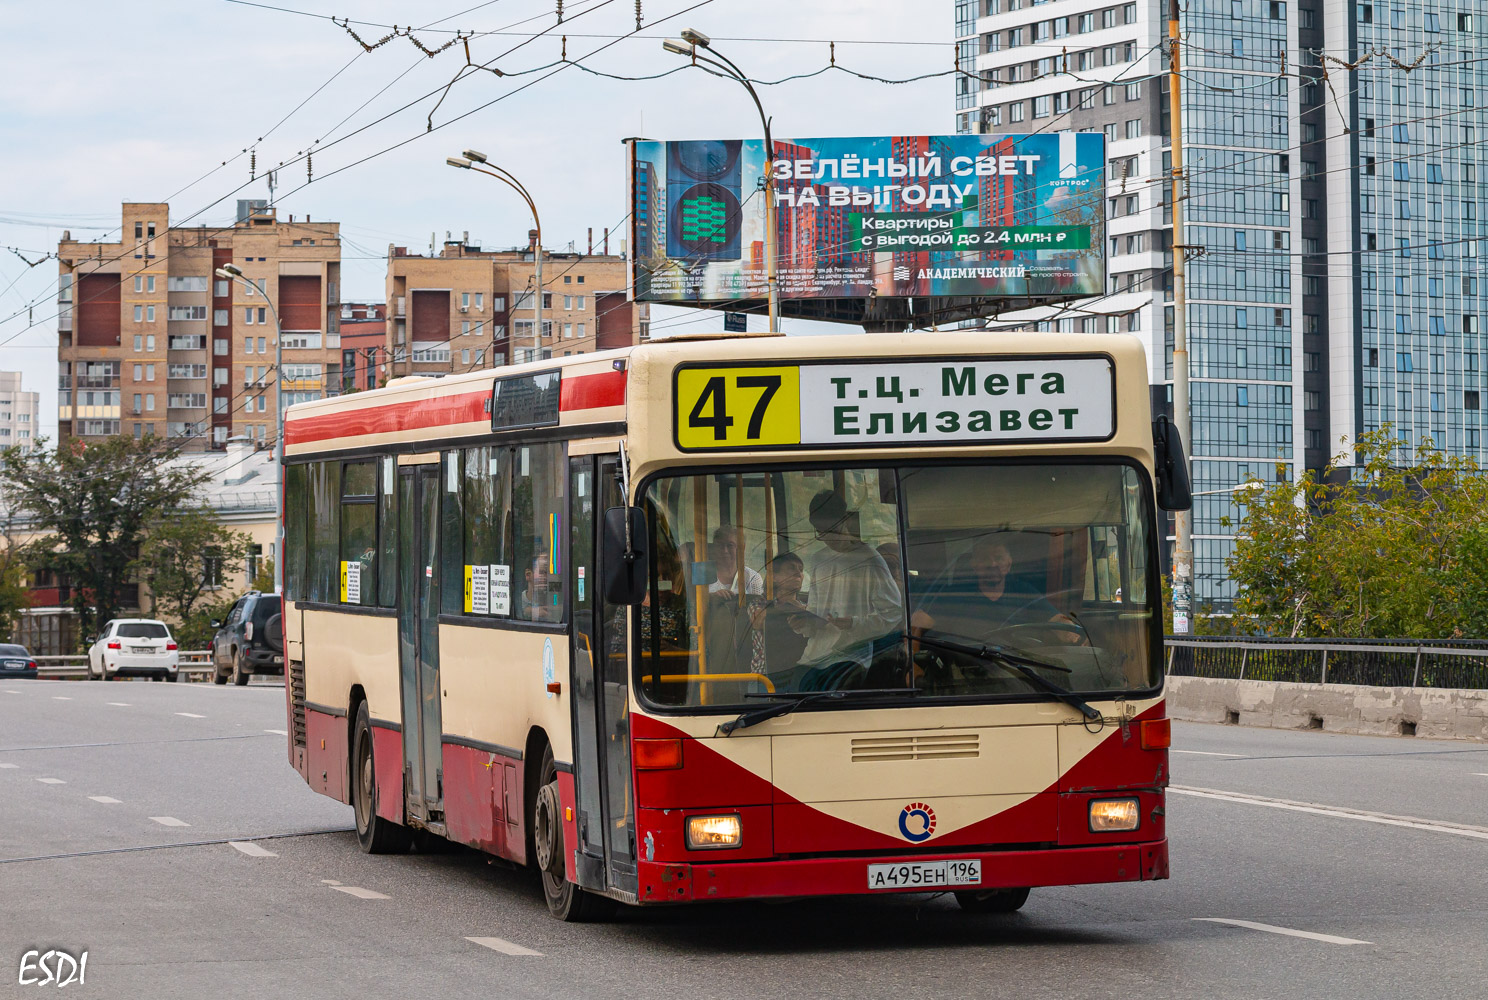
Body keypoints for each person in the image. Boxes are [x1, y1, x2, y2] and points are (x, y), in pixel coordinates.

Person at [793, 491, 903, 673]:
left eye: (832, 530)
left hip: (850, 660)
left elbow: (893, 613)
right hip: (814, 655)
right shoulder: (819, 559)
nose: (828, 539)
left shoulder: (870, 560)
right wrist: (804, 623)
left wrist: (854, 624)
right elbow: (815, 612)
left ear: (845, 520)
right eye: (822, 533)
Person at [911, 536, 1083, 645]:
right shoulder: (956, 593)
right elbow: (917, 623)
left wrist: (1073, 633)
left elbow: (1055, 619)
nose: (992, 564)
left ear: (1008, 564)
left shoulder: (1023, 592)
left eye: (998, 558)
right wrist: (914, 665)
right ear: (974, 565)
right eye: (984, 558)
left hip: (1017, 672)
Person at [745, 551, 809, 676]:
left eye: (801, 570)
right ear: (774, 577)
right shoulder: (759, 604)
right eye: (791, 568)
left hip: (798, 671)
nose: (798, 573)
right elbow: (758, 622)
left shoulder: (806, 607)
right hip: (765, 675)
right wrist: (790, 606)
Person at [706, 526, 764, 599]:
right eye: (720, 545)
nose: (725, 551)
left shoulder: (752, 577)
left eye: (730, 545)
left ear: (742, 548)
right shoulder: (702, 573)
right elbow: (693, 602)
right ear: (714, 547)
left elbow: (759, 606)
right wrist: (711, 597)